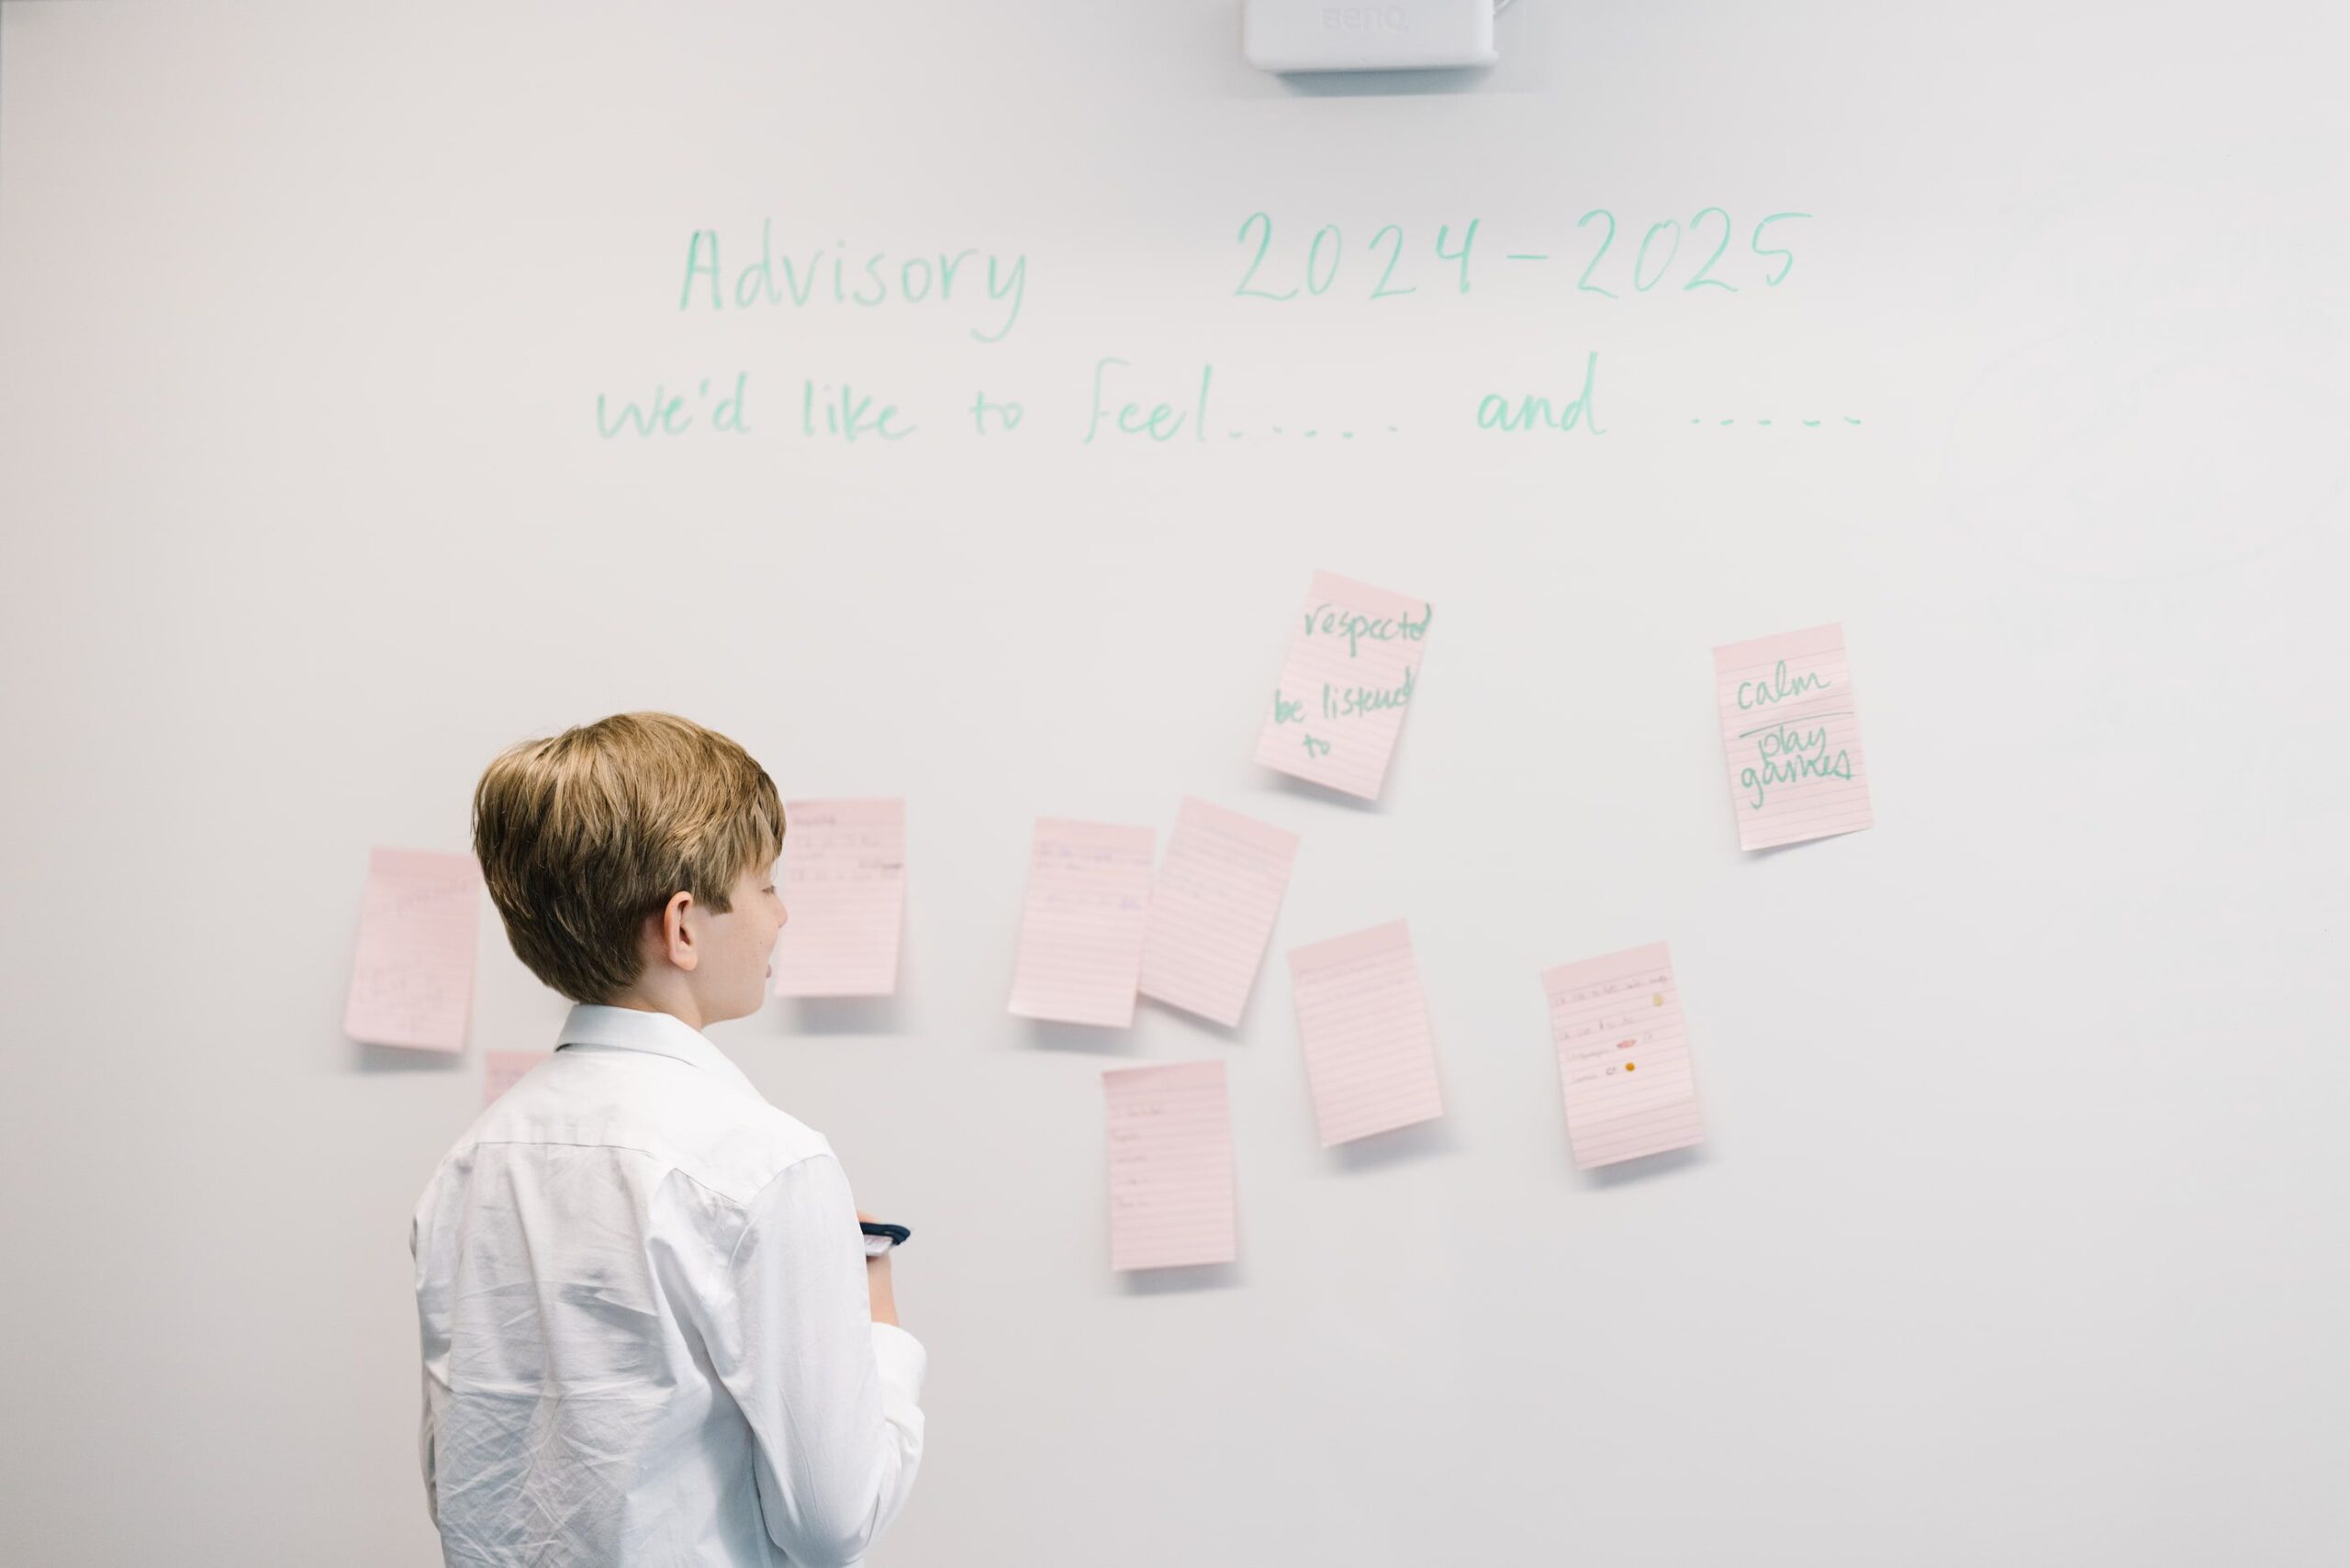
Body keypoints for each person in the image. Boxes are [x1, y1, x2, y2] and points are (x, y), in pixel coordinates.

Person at [409, 711, 924, 1566]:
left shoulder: (470, 1162)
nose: (782, 914)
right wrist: (879, 1322)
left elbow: (464, 1479)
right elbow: (833, 1522)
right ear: (683, 926)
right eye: (766, 885)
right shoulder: (767, 1166)